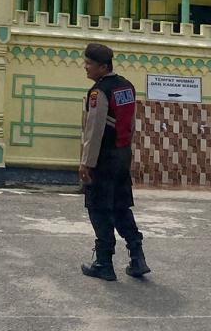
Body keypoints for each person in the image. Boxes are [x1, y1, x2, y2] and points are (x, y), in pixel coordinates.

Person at [78, 42, 150, 281]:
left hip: (103, 158)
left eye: (89, 63)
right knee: (120, 206)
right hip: (121, 155)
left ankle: (104, 262)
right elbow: (130, 124)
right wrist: (125, 151)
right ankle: (137, 256)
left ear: (102, 66)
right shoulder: (126, 87)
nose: (85, 68)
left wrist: (86, 163)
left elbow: (94, 130)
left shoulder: (99, 92)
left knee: (98, 208)